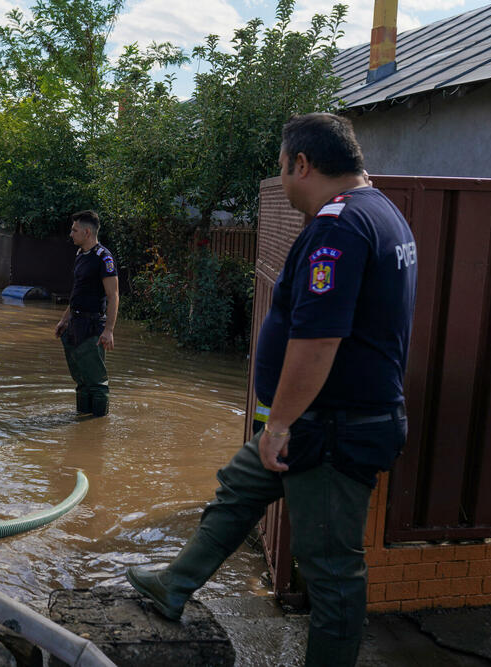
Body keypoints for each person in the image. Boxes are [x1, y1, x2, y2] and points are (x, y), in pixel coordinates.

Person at [125, 113, 417, 666]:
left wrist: (278, 423)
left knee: (331, 568)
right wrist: (277, 424)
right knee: (238, 490)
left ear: (302, 164)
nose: (281, 183)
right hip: (318, 422)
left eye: (282, 169)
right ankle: (174, 585)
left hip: (329, 428)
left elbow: (318, 342)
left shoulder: (338, 227)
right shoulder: (380, 212)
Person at [54, 210, 119, 417]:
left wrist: (108, 330)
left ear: (87, 232)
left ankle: (98, 429)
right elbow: (78, 291)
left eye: (74, 230)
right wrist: (64, 320)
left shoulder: (104, 258)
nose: (71, 234)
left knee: (97, 383)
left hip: (93, 326)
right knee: (81, 381)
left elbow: (113, 296)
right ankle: (81, 424)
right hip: (75, 324)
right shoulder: (81, 254)